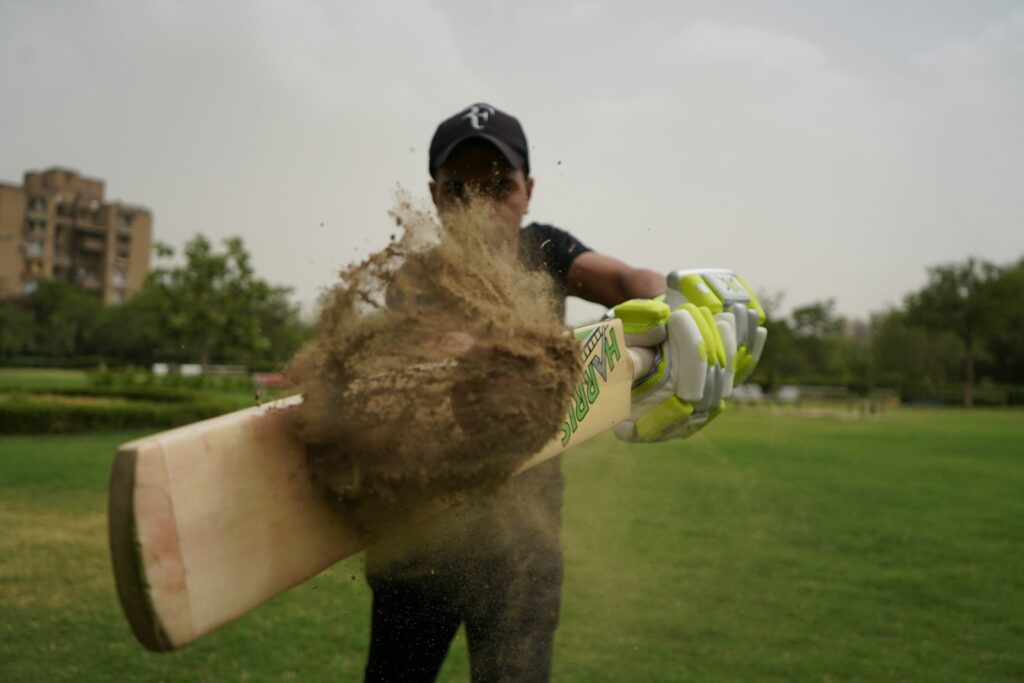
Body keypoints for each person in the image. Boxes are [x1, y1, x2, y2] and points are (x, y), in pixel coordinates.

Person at [362, 103, 764, 682]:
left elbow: (626, 280)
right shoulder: (414, 276)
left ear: (528, 190)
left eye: (500, 185)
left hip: (522, 545)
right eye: (459, 188)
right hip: (418, 539)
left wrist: (672, 305)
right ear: (433, 194)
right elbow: (437, 352)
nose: (480, 203)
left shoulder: (545, 249)